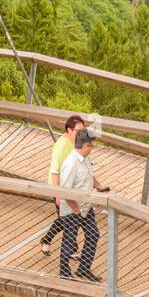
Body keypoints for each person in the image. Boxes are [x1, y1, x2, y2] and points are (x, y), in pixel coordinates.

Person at [57, 130, 109, 281]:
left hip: (86, 206)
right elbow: (65, 191)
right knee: (69, 239)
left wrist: (99, 186)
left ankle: (83, 269)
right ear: (86, 146)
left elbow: (89, 175)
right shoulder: (70, 164)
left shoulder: (86, 158)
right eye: (92, 145)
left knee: (93, 234)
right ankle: (64, 272)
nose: (93, 148)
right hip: (72, 208)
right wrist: (76, 210)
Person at [39, 116, 85, 256]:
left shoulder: (75, 142)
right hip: (59, 187)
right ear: (69, 130)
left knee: (67, 218)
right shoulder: (61, 145)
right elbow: (55, 170)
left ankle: (49, 240)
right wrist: (58, 193)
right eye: (79, 130)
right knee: (68, 218)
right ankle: (69, 248)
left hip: (71, 187)